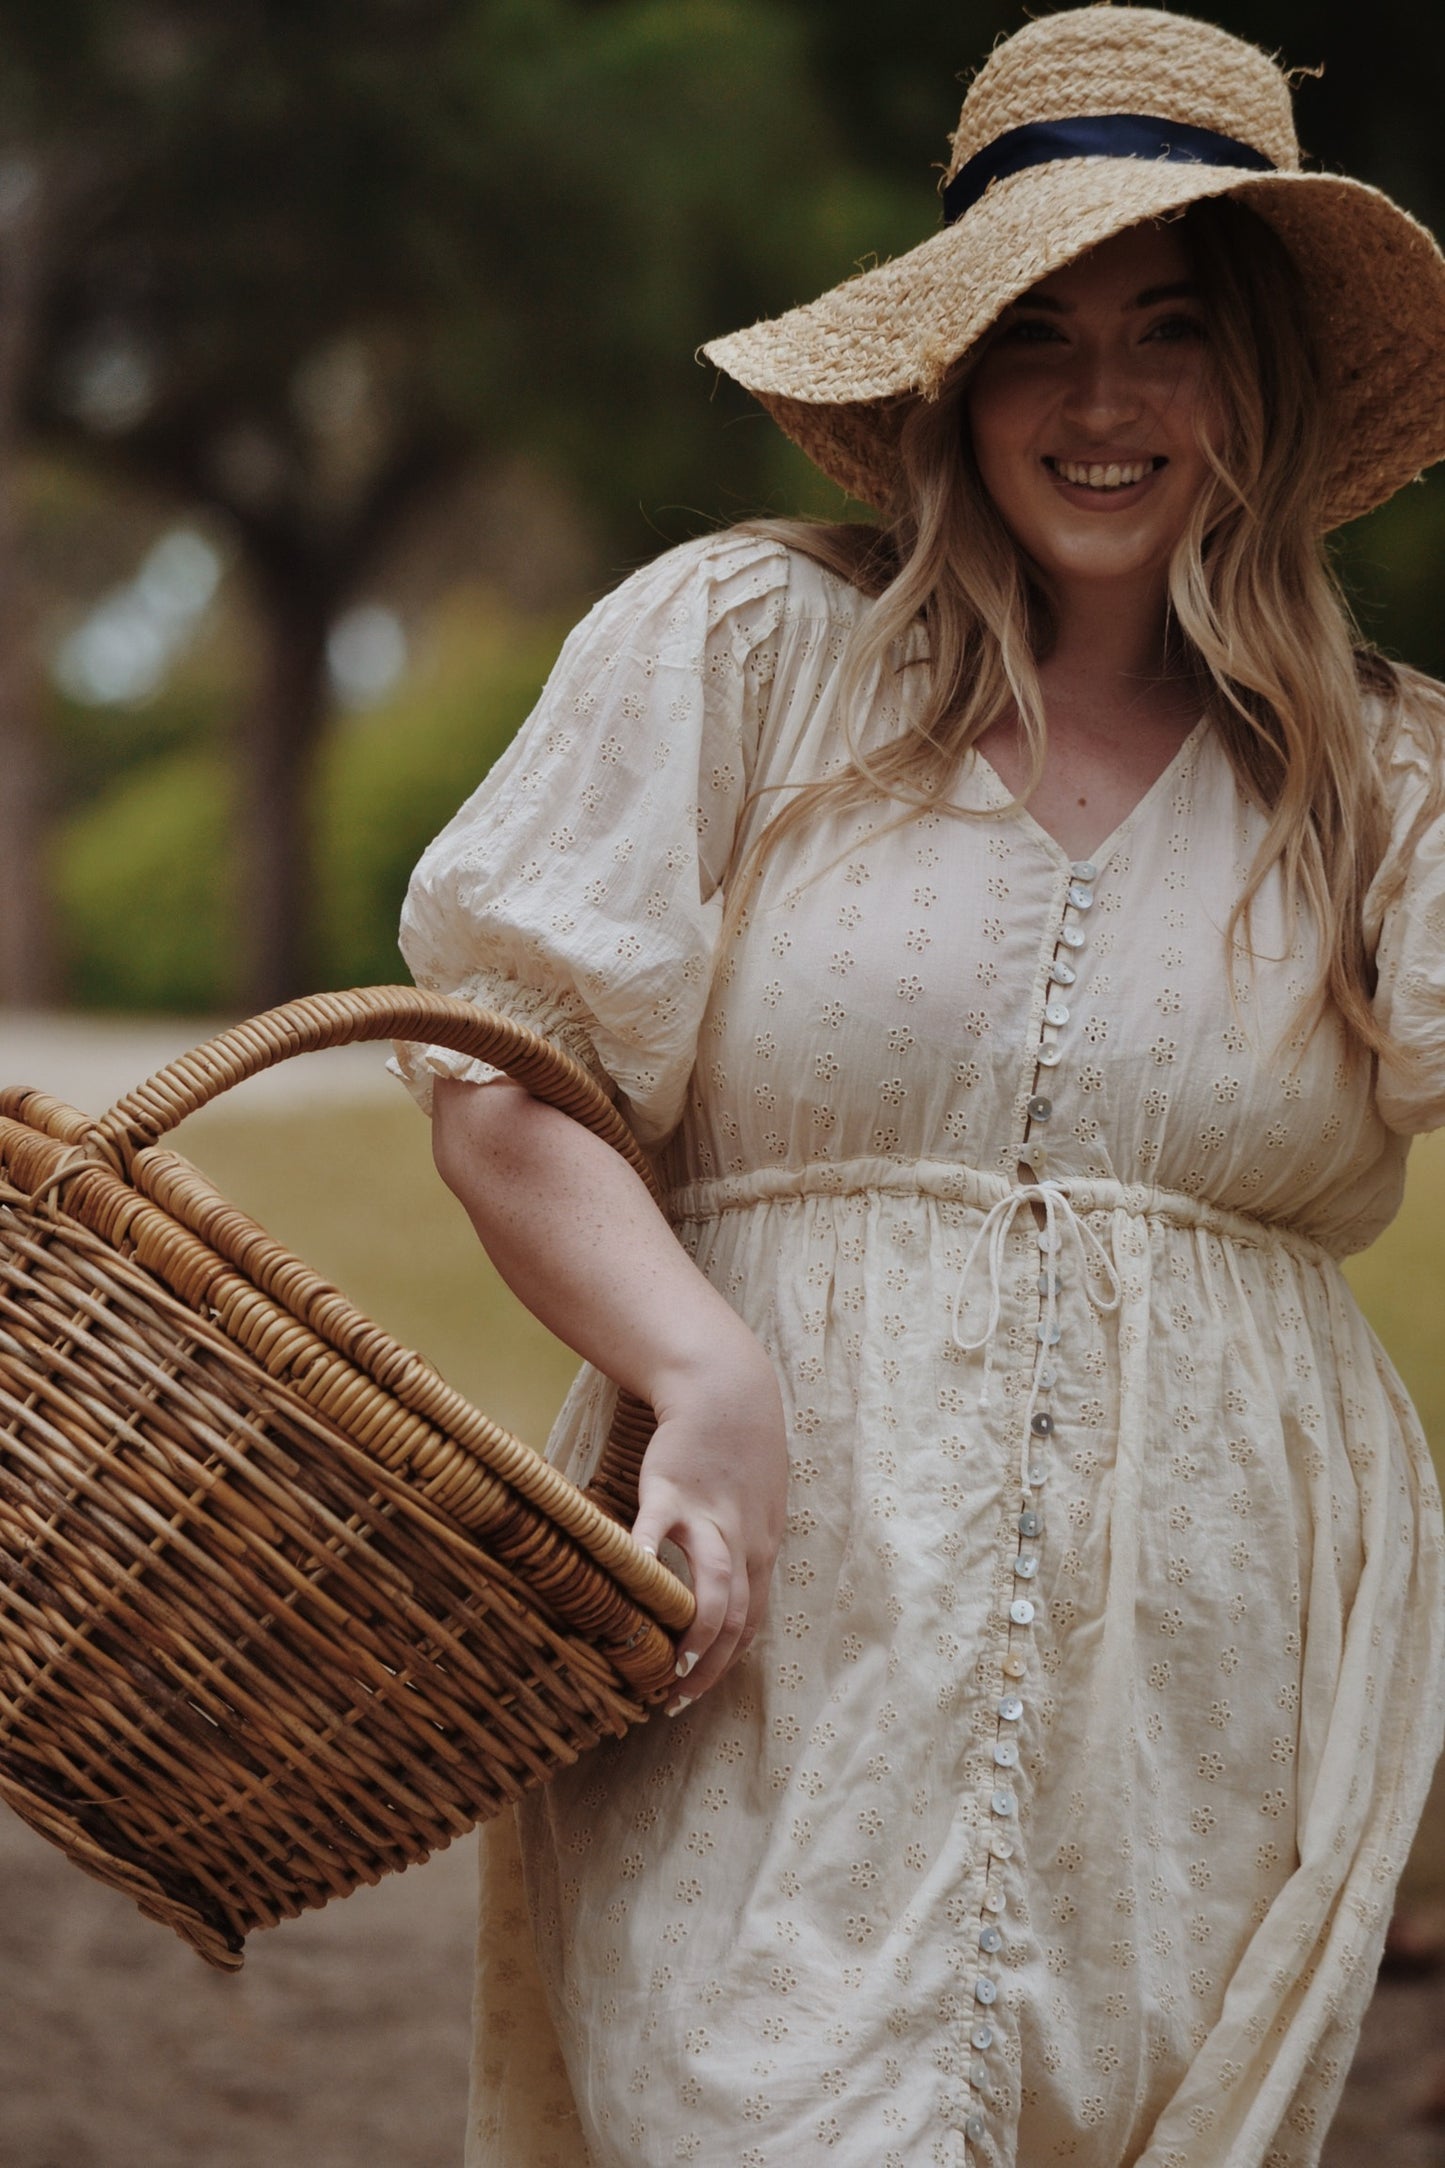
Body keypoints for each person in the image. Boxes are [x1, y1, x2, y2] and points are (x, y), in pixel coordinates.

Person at [392, 8, 1445, 2163]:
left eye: (1172, 328)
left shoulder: (1389, 777)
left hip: (1212, 1664)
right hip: (775, 1631)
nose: (1103, 401)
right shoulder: (742, 655)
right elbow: (503, 1072)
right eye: (1037, 331)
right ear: (952, 372)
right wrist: (703, 1368)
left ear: (1259, 377)